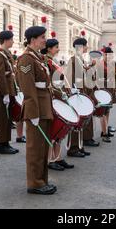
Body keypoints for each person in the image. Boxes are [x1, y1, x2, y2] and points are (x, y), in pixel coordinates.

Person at [17, 26, 57, 195]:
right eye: (42, 37)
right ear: (33, 39)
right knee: (35, 148)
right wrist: (32, 113)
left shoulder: (38, 58)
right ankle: (35, 183)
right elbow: (27, 88)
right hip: (36, 110)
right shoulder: (26, 59)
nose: (44, 40)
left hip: (44, 107)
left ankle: (42, 180)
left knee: (42, 147)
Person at [41, 38, 75, 172]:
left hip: (59, 95)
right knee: (53, 130)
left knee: (60, 130)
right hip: (53, 97)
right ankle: (50, 159)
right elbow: (49, 82)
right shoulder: (45, 61)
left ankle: (58, 157)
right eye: (56, 47)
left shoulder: (53, 61)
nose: (58, 49)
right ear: (49, 48)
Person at [66, 37, 98, 159]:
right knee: (75, 122)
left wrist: (91, 66)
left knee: (81, 121)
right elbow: (69, 77)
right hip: (76, 94)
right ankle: (73, 148)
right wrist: (72, 92)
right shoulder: (73, 59)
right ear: (81, 47)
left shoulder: (80, 60)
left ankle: (79, 146)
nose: (87, 48)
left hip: (82, 93)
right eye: (85, 46)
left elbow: (85, 74)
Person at [0, 31, 19, 155]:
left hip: (9, 90)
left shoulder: (6, 54)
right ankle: (1, 145)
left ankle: (6, 143)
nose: (13, 42)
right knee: (3, 119)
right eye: (11, 39)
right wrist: (5, 93)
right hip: (3, 92)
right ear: (6, 40)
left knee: (8, 119)